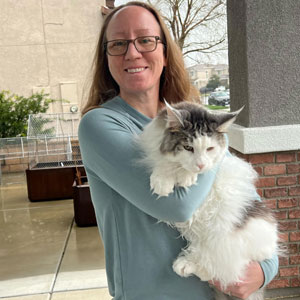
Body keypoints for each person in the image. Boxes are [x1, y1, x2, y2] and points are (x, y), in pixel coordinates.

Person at [78, 2, 278, 299]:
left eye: (145, 40)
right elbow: (176, 206)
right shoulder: (100, 125)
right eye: (118, 44)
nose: (133, 53)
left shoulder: (193, 119)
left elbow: (247, 197)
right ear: (106, 57)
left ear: (165, 52)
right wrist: (213, 149)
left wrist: (265, 269)